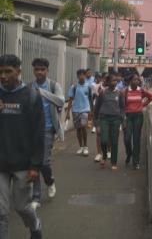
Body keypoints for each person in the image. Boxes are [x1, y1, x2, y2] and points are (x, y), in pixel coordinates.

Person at [0, 54, 44, 239]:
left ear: (18, 71)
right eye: (0, 72)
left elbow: (38, 134)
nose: (3, 76)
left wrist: (35, 165)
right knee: (1, 212)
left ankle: (35, 225)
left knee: (21, 207)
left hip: (23, 164)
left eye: (8, 71)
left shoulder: (31, 96)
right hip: (1, 163)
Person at [29, 58, 65, 209]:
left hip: (48, 129)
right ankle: (36, 197)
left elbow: (61, 101)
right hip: (31, 130)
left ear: (47, 71)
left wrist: (42, 92)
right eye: (37, 69)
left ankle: (50, 181)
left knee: (44, 162)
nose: (39, 72)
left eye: (42, 69)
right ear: (33, 71)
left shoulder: (53, 85)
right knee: (33, 164)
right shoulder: (29, 87)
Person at [123, 74, 152, 169]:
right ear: (130, 81)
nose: (136, 81)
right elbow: (121, 104)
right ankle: (129, 154)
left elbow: (151, 97)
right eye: (134, 79)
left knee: (136, 139)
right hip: (128, 116)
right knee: (127, 138)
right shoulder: (125, 91)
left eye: (137, 80)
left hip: (138, 116)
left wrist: (142, 105)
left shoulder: (140, 90)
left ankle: (136, 161)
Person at [94, 73, 125, 170]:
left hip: (115, 120)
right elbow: (96, 109)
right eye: (113, 80)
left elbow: (122, 107)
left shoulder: (119, 93)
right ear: (108, 82)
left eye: (116, 80)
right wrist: (97, 124)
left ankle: (114, 162)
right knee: (104, 140)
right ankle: (104, 156)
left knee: (114, 142)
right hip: (104, 119)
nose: (115, 82)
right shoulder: (102, 93)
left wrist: (122, 120)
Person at [65, 69, 93, 156]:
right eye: (80, 75)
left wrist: (92, 111)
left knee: (84, 127)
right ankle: (80, 147)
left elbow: (90, 99)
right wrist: (67, 113)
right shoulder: (74, 87)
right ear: (77, 77)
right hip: (75, 110)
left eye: (83, 75)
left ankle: (85, 147)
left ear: (85, 76)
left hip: (85, 110)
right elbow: (70, 100)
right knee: (78, 129)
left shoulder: (88, 87)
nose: (81, 76)